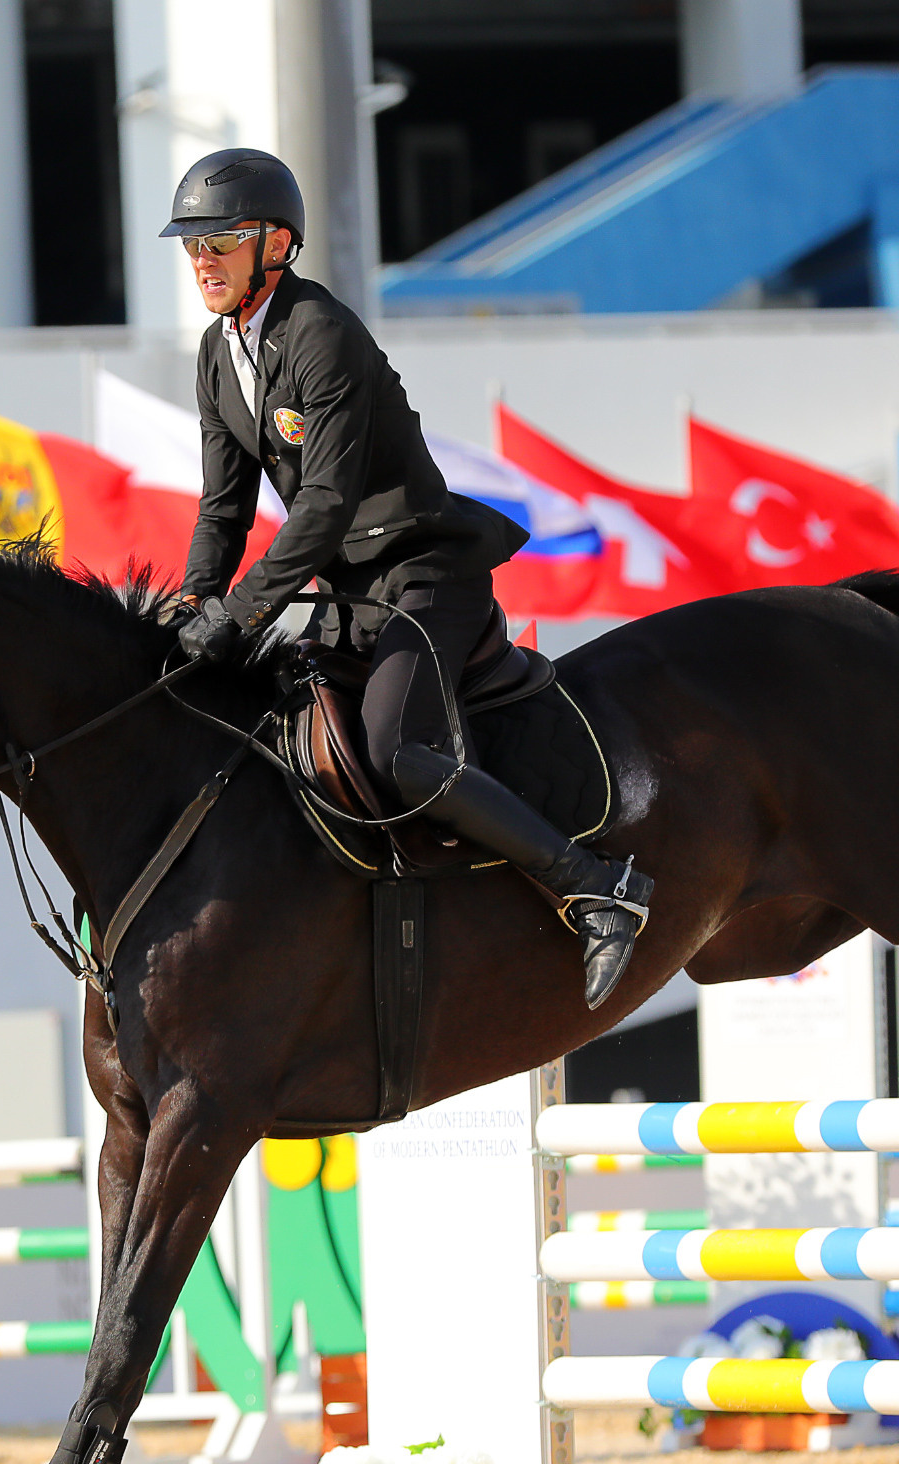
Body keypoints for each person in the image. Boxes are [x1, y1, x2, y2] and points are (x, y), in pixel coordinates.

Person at [159, 147, 654, 1008]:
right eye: (193, 245)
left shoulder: (320, 331)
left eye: (221, 241)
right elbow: (222, 506)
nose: (202, 259)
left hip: (423, 571)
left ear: (275, 246)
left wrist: (238, 613)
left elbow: (321, 505)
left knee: (397, 748)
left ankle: (595, 886)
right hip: (347, 595)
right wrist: (194, 600)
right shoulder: (216, 351)